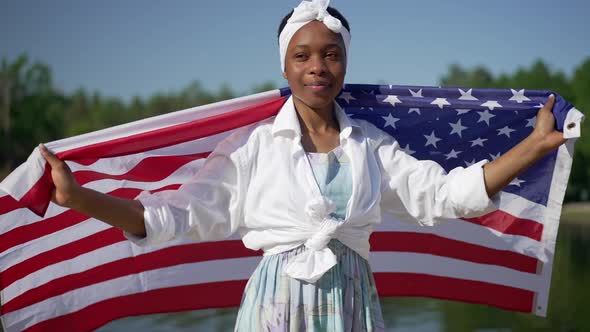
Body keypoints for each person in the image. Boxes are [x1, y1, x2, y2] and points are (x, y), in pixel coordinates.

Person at [39, 0, 567, 330]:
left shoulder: (370, 145)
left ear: (346, 60)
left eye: (331, 54)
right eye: (303, 55)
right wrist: (79, 197)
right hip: (278, 306)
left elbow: (447, 196)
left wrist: (533, 148)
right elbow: (170, 217)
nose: (318, 66)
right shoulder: (254, 146)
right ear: (285, 64)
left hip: (353, 303)